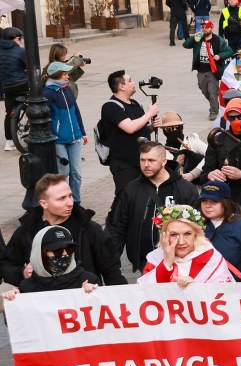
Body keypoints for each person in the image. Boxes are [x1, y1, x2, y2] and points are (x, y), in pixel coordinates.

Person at [1, 173, 126, 288]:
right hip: (43, 303)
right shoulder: (27, 230)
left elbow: (111, 270)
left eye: (70, 196)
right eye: (61, 198)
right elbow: (6, 265)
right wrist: (22, 273)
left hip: (83, 302)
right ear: (44, 203)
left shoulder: (89, 228)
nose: (70, 202)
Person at [107, 140, 200, 272]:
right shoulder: (132, 189)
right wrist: (111, 261)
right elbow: (119, 226)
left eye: (151, 160)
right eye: (142, 160)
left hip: (179, 260)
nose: (146, 165)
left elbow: (197, 226)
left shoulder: (185, 189)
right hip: (144, 262)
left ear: (163, 161)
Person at [139, 204, 236, 285]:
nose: (181, 242)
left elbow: (224, 295)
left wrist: (195, 288)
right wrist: (167, 262)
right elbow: (147, 294)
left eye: (187, 234)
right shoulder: (155, 257)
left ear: (196, 234)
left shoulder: (210, 256)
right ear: (164, 236)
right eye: (174, 235)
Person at [101, 70, 161, 199]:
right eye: (130, 80)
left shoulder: (135, 104)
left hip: (141, 161)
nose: (133, 83)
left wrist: (151, 126)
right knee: (125, 198)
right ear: (121, 86)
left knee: (143, 196)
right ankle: (114, 219)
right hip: (124, 164)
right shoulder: (111, 107)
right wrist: (149, 114)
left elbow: (140, 129)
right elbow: (129, 128)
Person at [0, 224, 100, 298]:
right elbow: (18, 323)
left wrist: (93, 296)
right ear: (41, 254)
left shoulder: (88, 280)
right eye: (57, 250)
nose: (65, 254)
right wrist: (13, 301)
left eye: (69, 249)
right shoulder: (27, 287)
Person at [198, 180, 241, 281]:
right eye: (204, 200)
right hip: (202, 291)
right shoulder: (195, 227)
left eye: (214, 201)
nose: (207, 205)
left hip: (235, 291)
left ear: (225, 203)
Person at [44, 61, 87, 201]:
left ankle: (76, 202)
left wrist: (82, 131)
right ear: (56, 75)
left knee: (76, 172)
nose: (67, 76)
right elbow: (46, 118)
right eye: (64, 74)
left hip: (75, 136)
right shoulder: (48, 93)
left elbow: (76, 111)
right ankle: (62, 199)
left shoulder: (67, 89)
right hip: (59, 140)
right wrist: (53, 134)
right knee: (64, 172)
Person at [182, 21, 233, 120]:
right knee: (204, 90)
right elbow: (185, 45)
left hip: (212, 71)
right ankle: (214, 104)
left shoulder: (218, 40)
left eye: (207, 27)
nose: (204, 29)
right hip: (201, 70)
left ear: (211, 28)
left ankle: (214, 110)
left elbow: (230, 51)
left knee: (212, 91)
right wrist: (193, 38)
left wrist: (220, 55)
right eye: (203, 27)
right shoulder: (198, 39)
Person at [0, 27, 25, 152]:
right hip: (22, 84)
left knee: (8, 113)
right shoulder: (20, 51)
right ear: (14, 39)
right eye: (19, 38)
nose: (20, 41)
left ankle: (9, 142)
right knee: (36, 99)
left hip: (7, 86)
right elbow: (29, 66)